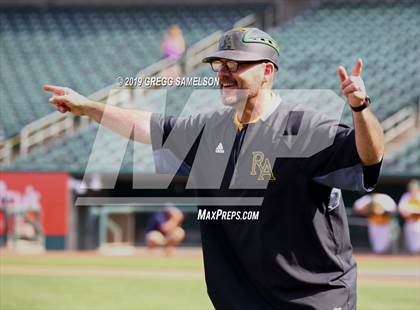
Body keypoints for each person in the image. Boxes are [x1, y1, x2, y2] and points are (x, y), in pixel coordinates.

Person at [43, 27, 384, 309]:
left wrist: (360, 109)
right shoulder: (207, 129)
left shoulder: (305, 128)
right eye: (219, 65)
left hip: (313, 299)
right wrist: (88, 107)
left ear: (267, 71)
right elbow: (146, 125)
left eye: (235, 65)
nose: (223, 73)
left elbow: (368, 156)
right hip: (242, 300)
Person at [398, 179, 420, 254]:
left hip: (418, 221)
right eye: (411, 188)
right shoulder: (406, 196)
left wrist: (415, 211)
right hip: (409, 221)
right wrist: (407, 213)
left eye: (414, 188)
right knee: (410, 242)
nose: (412, 190)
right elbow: (401, 208)